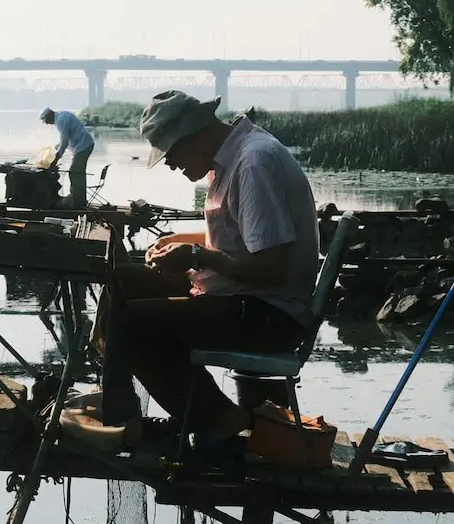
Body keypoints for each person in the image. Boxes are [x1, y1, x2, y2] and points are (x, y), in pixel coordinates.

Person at [98, 90, 318, 442]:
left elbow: (272, 268)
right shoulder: (234, 159)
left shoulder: (253, 164)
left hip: (270, 313)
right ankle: (195, 411)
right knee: (122, 281)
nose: (170, 164)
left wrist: (196, 257)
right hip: (245, 296)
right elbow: (241, 233)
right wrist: (181, 241)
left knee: (131, 323)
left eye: (171, 153)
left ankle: (194, 419)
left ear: (194, 135)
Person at [40, 106, 96, 208]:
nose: (47, 123)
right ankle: (80, 200)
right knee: (78, 173)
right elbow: (64, 140)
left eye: (46, 121)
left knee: (75, 172)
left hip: (83, 145)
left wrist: (56, 159)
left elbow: (64, 142)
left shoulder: (61, 120)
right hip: (84, 145)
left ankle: (77, 202)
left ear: (50, 116)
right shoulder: (61, 116)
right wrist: (56, 149)